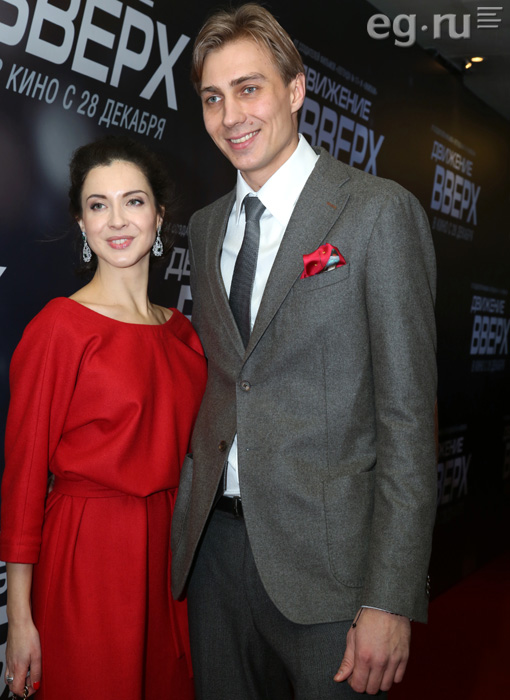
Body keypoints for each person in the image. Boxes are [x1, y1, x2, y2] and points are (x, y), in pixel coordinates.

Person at [170, 4, 437, 699]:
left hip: (332, 577)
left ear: (295, 90)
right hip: (215, 556)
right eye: (212, 98)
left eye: (249, 89)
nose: (231, 116)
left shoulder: (377, 212)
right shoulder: (205, 227)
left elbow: (409, 419)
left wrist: (390, 596)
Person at [0, 135, 207, 699]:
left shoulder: (184, 334)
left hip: (172, 564)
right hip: (88, 555)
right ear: (82, 222)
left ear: (159, 216)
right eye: (98, 205)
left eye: (133, 201)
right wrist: (20, 620)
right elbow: (23, 484)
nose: (117, 220)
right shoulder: (60, 328)